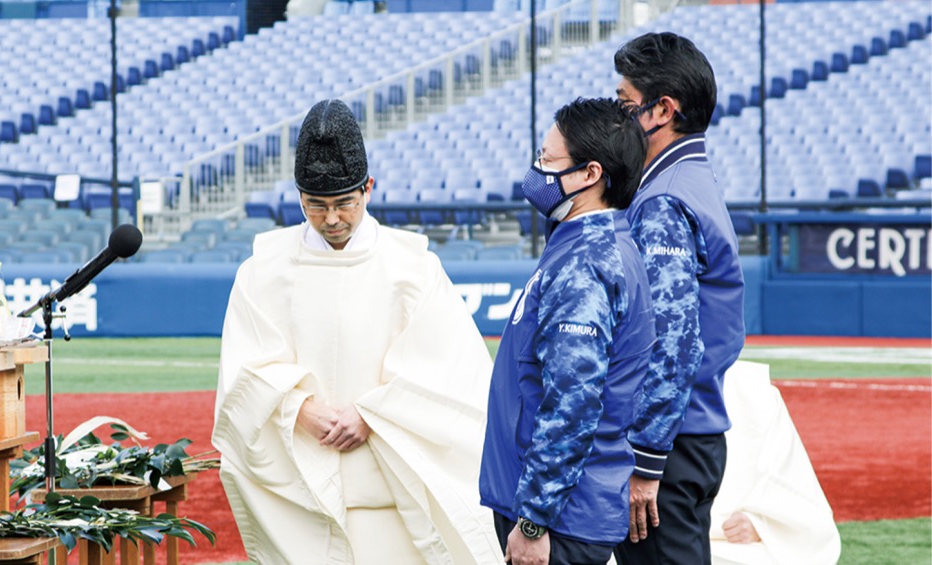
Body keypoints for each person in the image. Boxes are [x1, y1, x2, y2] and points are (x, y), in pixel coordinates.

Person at [211, 98, 503, 565]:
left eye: (344, 203)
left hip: (392, 498)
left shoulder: (413, 269)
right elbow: (244, 372)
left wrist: (372, 414)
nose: (331, 219)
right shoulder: (263, 270)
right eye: (315, 205)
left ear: (368, 188)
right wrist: (296, 407)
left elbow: (452, 374)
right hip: (301, 496)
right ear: (298, 196)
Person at [479, 97, 654, 565]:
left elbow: (573, 404)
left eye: (547, 160)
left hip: (560, 519)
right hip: (565, 509)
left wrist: (534, 519)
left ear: (589, 174)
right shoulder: (588, 245)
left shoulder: (586, 262)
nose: (536, 171)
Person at [611, 32, 747, 565]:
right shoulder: (684, 178)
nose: (618, 115)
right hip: (685, 434)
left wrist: (645, 462)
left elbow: (669, 339)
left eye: (625, 104)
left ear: (661, 110)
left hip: (669, 441)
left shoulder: (665, 197)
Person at [709, 361, 840, 565]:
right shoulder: (647, 377)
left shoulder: (752, 390)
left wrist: (762, 524)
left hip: (727, 545)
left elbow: (801, 498)